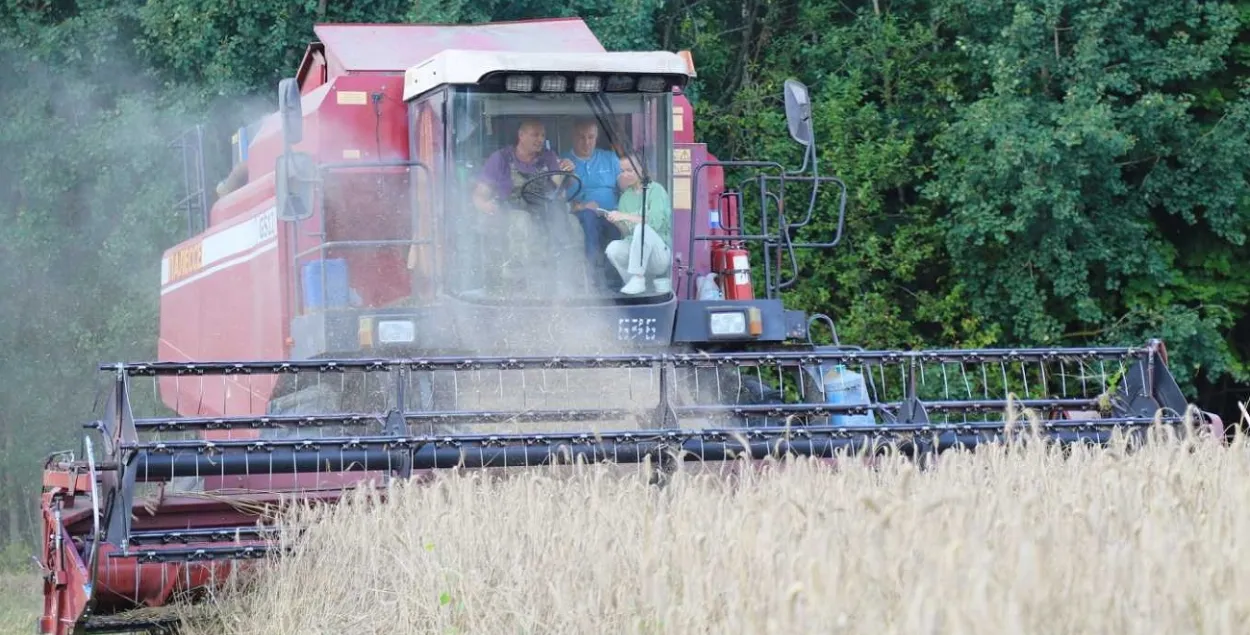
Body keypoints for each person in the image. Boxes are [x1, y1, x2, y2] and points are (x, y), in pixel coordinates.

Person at [470, 119, 586, 294]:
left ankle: (575, 284)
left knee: (572, 223)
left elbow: (558, 187)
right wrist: (488, 207)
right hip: (510, 214)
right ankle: (520, 284)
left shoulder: (548, 157)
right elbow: (479, 196)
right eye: (535, 135)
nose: (540, 139)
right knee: (522, 222)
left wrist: (567, 172)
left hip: (543, 211)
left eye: (542, 135)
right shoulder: (500, 159)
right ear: (521, 136)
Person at [562, 118, 624, 287]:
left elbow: (625, 184)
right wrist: (582, 206)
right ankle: (592, 274)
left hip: (611, 214)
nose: (586, 142)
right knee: (589, 218)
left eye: (591, 137)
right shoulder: (563, 162)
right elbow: (558, 199)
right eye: (581, 137)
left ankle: (615, 280)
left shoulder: (610, 158)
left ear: (596, 137)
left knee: (616, 226)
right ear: (572, 137)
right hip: (580, 215)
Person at [603, 154, 673, 295]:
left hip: (659, 254)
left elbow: (654, 224)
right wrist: (617, 222)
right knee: (613, 248)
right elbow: (628, 234)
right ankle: (633, 282)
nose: (625, 175)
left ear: (641, 169)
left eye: (630, 170)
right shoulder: (625, 197)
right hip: (638, 254)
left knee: (643, 229)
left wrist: (624, 215)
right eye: (622, 171)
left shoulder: (655, 190)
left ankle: (638, 278)